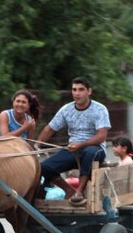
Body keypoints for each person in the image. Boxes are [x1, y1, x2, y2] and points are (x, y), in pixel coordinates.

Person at [37, 77, 111, 206]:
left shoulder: (100, 109)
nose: (77, 93)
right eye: (74, 90)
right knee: (44, 167)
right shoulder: (66, 109)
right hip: (73, 149)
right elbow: (49, 128)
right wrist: (37, 145)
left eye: (81, 90)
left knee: (89, 153)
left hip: (95, 148)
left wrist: (81, 144)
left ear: (89, 91)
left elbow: (101, 136)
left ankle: (79, 192)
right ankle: (68, 190)